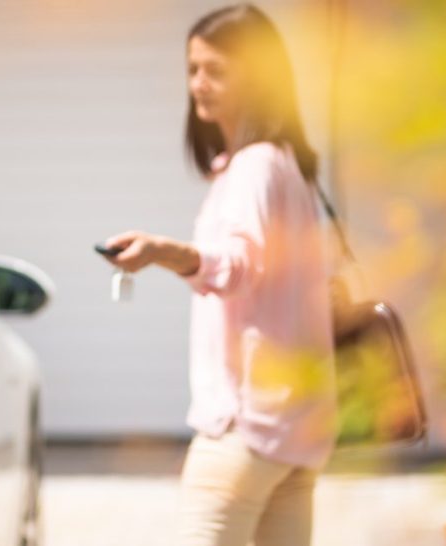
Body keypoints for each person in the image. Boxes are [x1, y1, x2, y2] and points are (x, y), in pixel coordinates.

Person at [100, 5, 336, 545]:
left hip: (246, 427)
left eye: (216, 71)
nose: (198, 84)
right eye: (192, 69)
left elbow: (238, 267)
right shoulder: (287, 165)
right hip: (299, 430)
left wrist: (161, 251)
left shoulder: (255, 165)